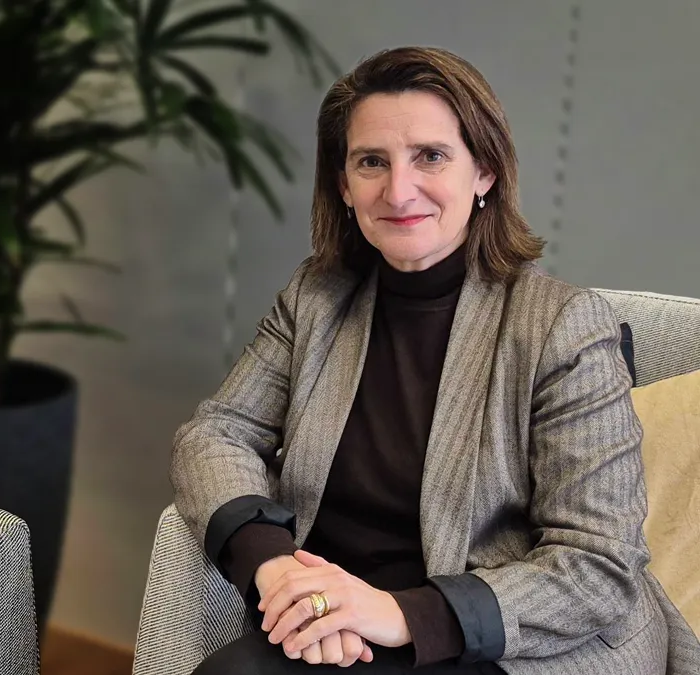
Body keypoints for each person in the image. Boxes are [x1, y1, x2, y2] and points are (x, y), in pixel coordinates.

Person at [173, 46, 700, 674]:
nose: (399, 191)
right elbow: (216, 433)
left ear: (484, 173)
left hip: (502, 639)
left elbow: (598, 564)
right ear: (344, 185)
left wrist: (399, 614)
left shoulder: (561, 326)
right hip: (338, 620)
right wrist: (277, 569)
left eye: (431, 156)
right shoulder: (316, 298)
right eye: (372, 161)